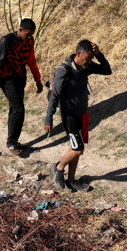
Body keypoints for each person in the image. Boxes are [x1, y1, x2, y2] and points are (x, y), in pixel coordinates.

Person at [45, 40, 112, 192]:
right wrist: (49, 117)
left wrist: (99, 55)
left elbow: (107, 70)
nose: (90, 61)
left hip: (82, 113)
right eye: (88, 58)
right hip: (69, 116)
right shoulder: (64, 70)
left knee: (76, 148)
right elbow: (55, 96)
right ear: (78, 54)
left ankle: (71, 181)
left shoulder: (86, 67)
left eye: (91, 58)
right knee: (78, 149)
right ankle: (58, 168)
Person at [0, 18, 44, 156]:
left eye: (31, 35)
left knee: (15, 109)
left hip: (20, 78)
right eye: (27, 34)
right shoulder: (7, 41)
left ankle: (13, 141)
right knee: (19, 109)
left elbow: (31, 61)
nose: (29, 37)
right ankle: (11, 143)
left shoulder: (30, 41)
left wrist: (37, 80)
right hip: (7, 80)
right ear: (20, 30)